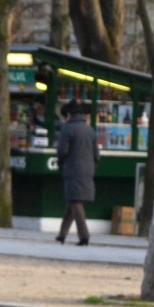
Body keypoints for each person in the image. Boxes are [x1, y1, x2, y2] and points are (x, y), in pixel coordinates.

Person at [55, 99, 99, 246]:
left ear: (69, 114)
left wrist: (61, 163)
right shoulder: (90, 130)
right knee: (73, 200)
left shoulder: (67, 129)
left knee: (75, 201)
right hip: (88, 169)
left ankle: (84, 235)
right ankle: (62, 234)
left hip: (72, 168)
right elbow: (96, 154)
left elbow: (62, 151)